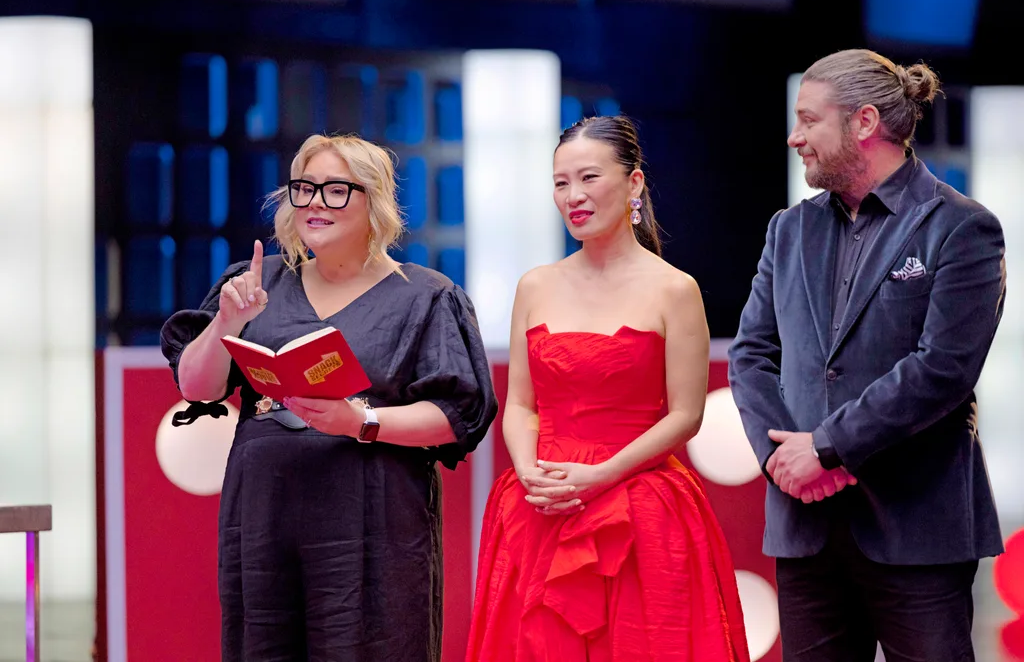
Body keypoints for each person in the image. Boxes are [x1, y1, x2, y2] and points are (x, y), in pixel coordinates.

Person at [160, 133, 498, 661]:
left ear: (374, 200)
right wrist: (227, 321)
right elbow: (196, 388)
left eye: (336, 190)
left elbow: (456, 414)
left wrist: (358, 421)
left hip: (371, 516)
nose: (315, 203)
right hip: (265, 509)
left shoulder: (426, 295)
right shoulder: (255, 282)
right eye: (304, 188)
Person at [728, 48, 1006, 662]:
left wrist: (827, 448)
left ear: (864, 122)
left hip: (918, 526)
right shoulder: (788, 229)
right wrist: (783, 460)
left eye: (809, 120)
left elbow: (943, 369)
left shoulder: (962, 226)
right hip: (805, 527)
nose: (794, 136)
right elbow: (750, 355)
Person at [465, 115, 749, 662]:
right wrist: (526, 469)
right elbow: (520, 402)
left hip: (639, 504)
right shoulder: (535, 285)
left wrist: (603, 475)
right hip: (542, 501)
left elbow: (685, 415)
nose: (573, 196)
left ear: (634, 183)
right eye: (560, 182)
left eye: (589, 178)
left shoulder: (674, 289)